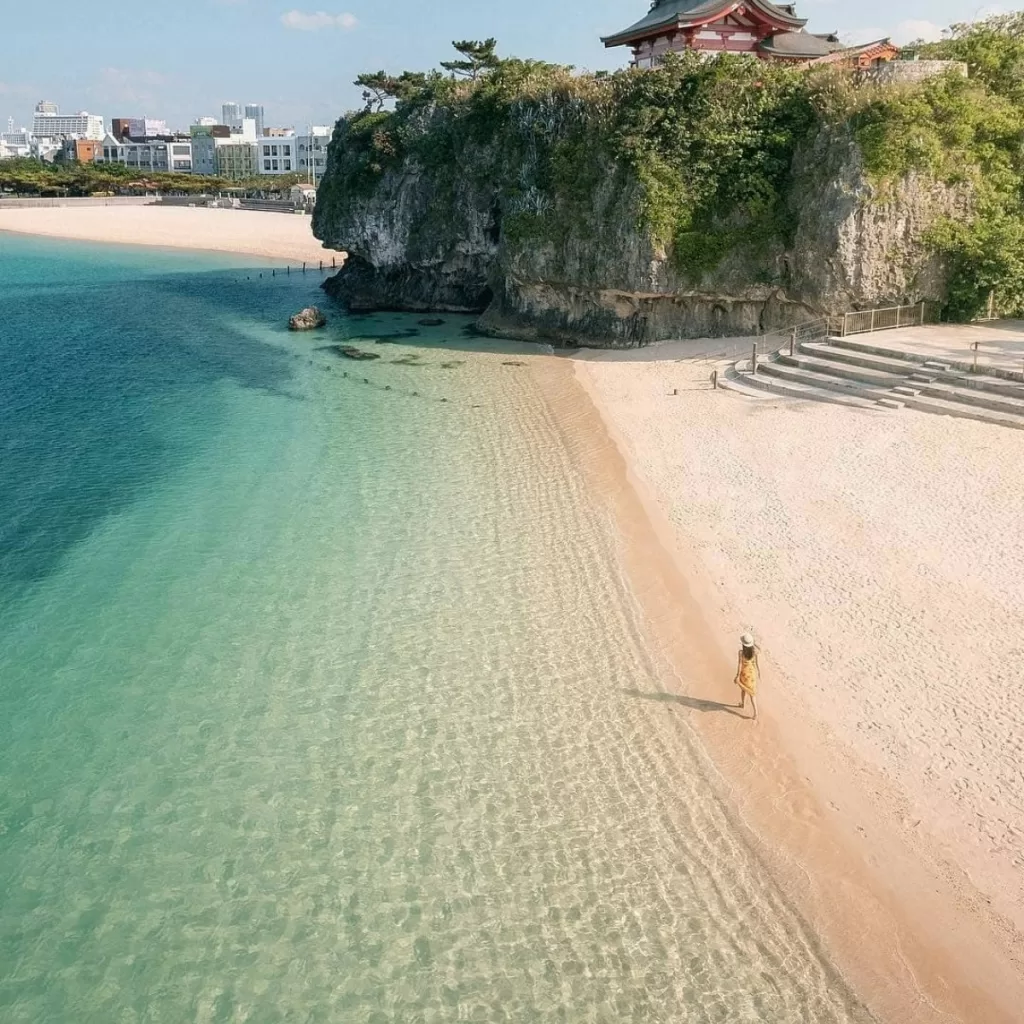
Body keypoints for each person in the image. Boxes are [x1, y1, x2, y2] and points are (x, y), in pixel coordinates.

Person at [735, 633, 759, 720]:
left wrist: (737, 675)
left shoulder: (741, 653)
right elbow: (760, 649)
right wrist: (753, 643)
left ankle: (743, 704)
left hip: (744, 674)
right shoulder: (754, 652)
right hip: (752, 674)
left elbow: (740, 664)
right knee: (752, 694)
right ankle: (755, 713)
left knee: (743, 690)